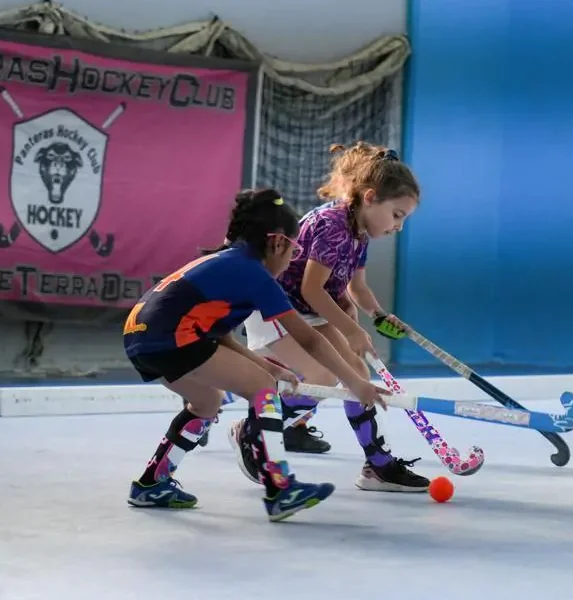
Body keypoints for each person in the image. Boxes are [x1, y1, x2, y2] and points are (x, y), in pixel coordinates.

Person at [123, 188, 388, 522]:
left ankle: (151, 484)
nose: (292, 259)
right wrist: (356, 383)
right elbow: (310, 340)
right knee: (263, 389)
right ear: (277, 243)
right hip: (172, 336)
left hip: (140, 336)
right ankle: (280, 488)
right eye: (294, 250)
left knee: (207, 402)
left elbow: (216, 334)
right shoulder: (253, 273)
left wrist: (268, 366)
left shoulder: (227, 263)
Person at [233, 142, 430, 493]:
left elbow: (357, 288)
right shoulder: (332, 225)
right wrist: (352, 331)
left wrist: (379, 315)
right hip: (275, 305)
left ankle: (377, 466)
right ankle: (251, 432)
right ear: (370, 198)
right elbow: (311, 289)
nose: (399, 226)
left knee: (357, 376)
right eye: (397, 214)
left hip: (306, 310)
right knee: (322, 377)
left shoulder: (359, 232)